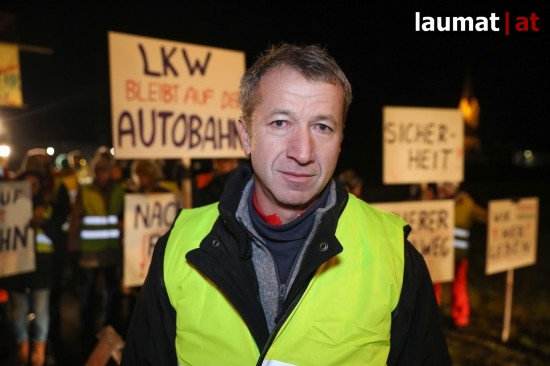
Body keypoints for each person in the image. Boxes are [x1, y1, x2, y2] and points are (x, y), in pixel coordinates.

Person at [121, 43, 451, 365]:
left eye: (322, 127)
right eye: (281, 123)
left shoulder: (394, 253)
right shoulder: (179, 246)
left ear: (340, 142)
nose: (303, 153)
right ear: (246, 135)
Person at [1, 169, 66, 365]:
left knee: (41, 312)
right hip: (16, 267)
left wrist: (43, 223)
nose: (30, 188)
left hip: (41, 268)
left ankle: (39, 350)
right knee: (18, 313)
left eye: (35, 184)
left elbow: (58, 235)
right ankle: (23, 348)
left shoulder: (47, 207)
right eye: (26, 184)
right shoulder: (8, 206)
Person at [67, 149, 125, 341]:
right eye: (99, 171)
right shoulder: (86, 190)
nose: (102, 175)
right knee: (89, 294)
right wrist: (73, 247)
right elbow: (75, 220)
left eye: (106, 171)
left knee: (112, 293)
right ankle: (87, 331)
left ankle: (110, 329)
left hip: (111, 252)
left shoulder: (120, 190)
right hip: (89, 254)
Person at [433, 182, 488, 329]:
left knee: (459, 285)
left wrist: (503, 214)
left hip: (458, 255)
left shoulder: (465, 203)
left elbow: (483, 216)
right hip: (437, 254)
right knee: (432, 286)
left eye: (444, 187)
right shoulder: (433, 201)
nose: (441, 190)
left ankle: (460, 319)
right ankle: (430, 319)